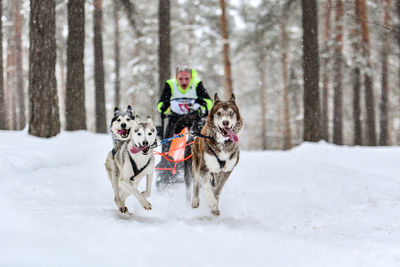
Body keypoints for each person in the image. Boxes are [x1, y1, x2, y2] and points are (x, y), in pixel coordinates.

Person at [156, 67, 213, 185]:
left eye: (187, 79)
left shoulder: (197, 84)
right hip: (175, 118)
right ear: (176, 77)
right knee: (168, 140)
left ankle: (203, 163)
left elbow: (209, 102)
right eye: (181, 78)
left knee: (199, 139)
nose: (184, 82)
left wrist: (201, 102)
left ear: (191, 78)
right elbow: (160, 104)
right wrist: (165, 105)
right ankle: (167, 165)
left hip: (194, 118)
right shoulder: (170, 84)